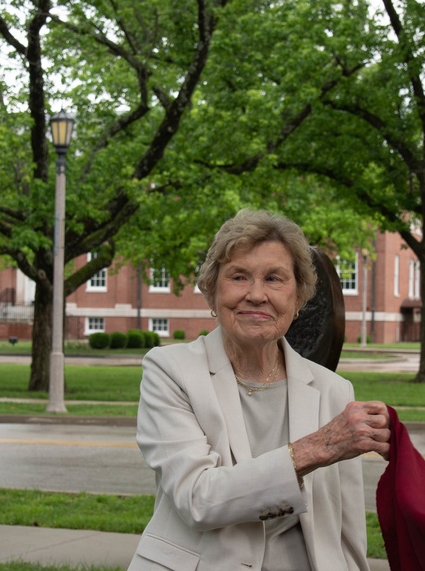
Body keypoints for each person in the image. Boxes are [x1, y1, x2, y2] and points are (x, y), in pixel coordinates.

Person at [128, 209, 391, 571]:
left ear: (298, 299)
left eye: (274, 279)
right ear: (211, 291)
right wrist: (319, 447)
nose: (256, 295)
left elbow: (345, 531)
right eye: (239, 277)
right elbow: (198, 498)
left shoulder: (334, 391)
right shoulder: (170, 370)